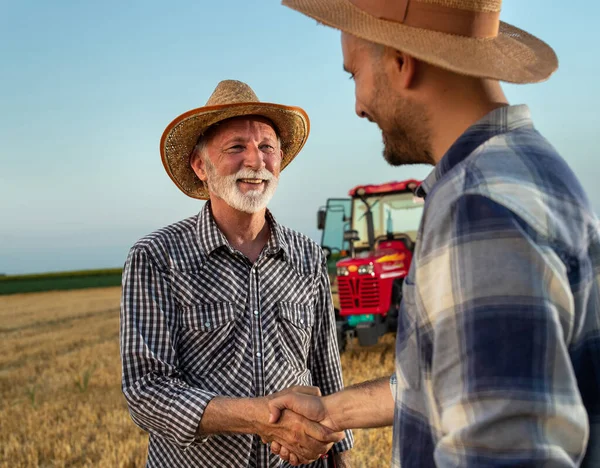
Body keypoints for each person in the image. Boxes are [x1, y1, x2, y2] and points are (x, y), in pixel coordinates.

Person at [268, 1, 600, 466]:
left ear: (403, 63)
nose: (358, 105)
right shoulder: (532, 166)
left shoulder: (476, 209)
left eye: (354, 74)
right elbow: (461, 374)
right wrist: (331, 410)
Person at [120, 79, 353, 467]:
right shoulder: (157, 257)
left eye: (267, 147)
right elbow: (147, 392)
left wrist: (341, 456)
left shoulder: (308, 256)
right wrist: (261, 418)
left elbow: (325, 369)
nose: (256, 161)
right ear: (200, 166)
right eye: (236, 147)